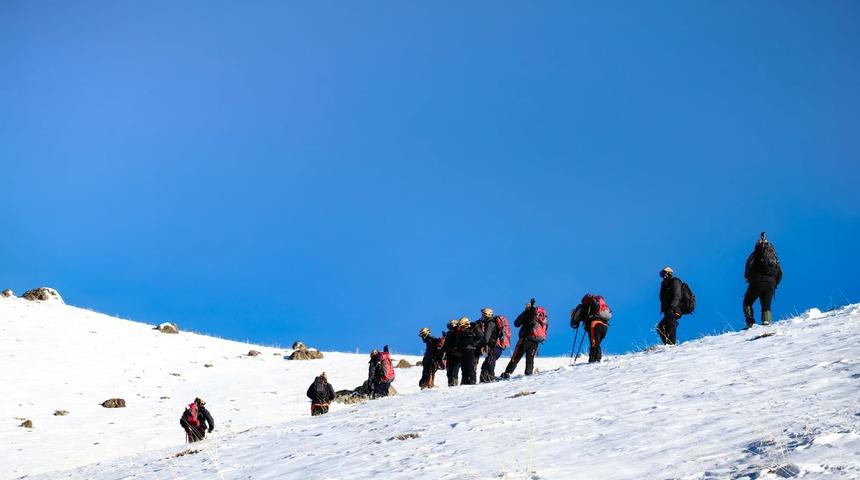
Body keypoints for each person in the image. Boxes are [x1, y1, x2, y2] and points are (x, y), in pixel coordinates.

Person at [743, 232, 783, 328]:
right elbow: (780, 273)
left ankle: (750, 322)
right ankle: (767, 321)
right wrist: (774, 284)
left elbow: (747, 270)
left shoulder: (754, 255)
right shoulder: (773, 256)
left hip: (757, 281)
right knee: (766, 306)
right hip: (771, 283)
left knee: (747, 302)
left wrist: (750, 279)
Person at [501, 299, 548, 378]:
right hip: (536, 340)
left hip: (525, 339)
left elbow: (516, 323)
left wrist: (524, 312)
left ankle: (507, 373)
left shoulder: (527, 313)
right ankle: (528, 374)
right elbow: (545, 329)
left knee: (516, 356)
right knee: (530, 359)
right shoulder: (542, 316)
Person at [570, 294, 612, 363]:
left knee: (594, 344)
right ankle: (595, 360)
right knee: (596, 344)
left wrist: (575, 322)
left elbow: (576, 319)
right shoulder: (597, 308)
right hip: (605, 326)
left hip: (595, 325)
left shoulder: (583, 307)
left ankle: (594, 362)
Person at [476, 307, 511, 382]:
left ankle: (491, 378)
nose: (481, 317)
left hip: (494, 347)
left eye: (483, 315)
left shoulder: (490, 323)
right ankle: (484, 379)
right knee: (487, 363)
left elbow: (486, 337)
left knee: (490, 363)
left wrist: (480, 344)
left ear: (487, 315)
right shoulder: (491, 322)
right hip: (496, 348)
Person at [657, 267, 685, 345]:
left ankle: (671, 346)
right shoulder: (665, 285)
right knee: (660, 327)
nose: (662, 276)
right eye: (661, 274)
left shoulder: (674, 281)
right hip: (668, 311)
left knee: (670, 327)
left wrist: (672, 307)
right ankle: (668, 345)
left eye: (663, 273)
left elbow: (677, 296)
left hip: (674, 309)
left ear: (669, 273)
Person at [454, 317, 481, 385]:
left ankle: (472, 381)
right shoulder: (462, 332)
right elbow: (458, 342)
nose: (461, 328)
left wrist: (472, 345)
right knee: (464, 368)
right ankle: (465, 381)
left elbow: (480, 338)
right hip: (463, 352)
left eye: (462, 326)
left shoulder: (472, 330)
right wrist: (457, 349)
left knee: (471, 367)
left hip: (471, 351)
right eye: (460, 326)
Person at [442, 319, 461, 386]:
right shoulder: (450, 333)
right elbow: (446, 345)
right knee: (450, 371)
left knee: (453, 371)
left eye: (450, 325)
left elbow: (445, 345)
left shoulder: (458, 332)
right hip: (451, 354)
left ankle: (453, 383)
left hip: (455, 354)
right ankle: (452, 383)